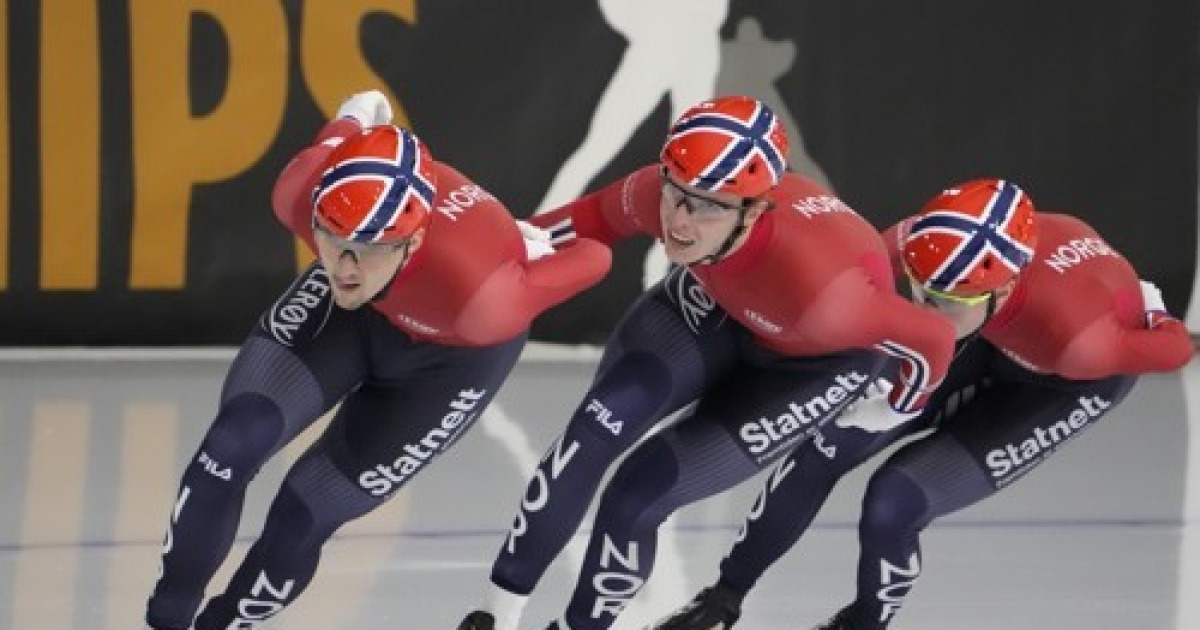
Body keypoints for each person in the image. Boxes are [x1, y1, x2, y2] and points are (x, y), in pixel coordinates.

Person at [456, 95, 958, 630]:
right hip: (716, 308)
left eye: (710, 206)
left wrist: (900, 405)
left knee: (637, 494)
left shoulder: (831, 298)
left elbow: (931, 335)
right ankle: (495, 617)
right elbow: (568, 227)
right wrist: (497, 256)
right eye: (676, 194)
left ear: (756, 209)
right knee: (587, 439)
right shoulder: (662, 192)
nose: (680, 222)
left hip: (812, 362)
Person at [140, 90, 611, 630]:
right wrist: (358, 112)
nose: (342, 264)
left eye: (367, 247)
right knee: (230, 446)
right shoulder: (300, 194)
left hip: (451, 359)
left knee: (306, 511)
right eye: (331, 237)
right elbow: (344, 131)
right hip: (354, 321)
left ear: (410, 243)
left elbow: (595, 258)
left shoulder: (483, 298)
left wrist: (535, 248)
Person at [649, 178, 1195, 630]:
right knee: (825, 444)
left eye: (946, 301)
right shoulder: (926, 248)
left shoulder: (1081, 342)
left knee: (896, 498)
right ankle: (722, 599)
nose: (927, 310)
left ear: (1001, 291)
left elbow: (1175, 350)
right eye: (920, 287)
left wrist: (1155, 311)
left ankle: (864, 623)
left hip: (1062, 380)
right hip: (989, 338)